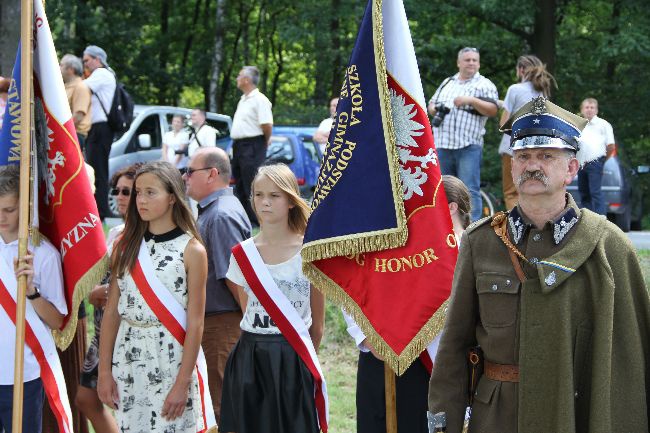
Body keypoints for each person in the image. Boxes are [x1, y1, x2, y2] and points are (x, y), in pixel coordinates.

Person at [427, 97, 650, 432]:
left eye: (546, 156)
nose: (533, 165)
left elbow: (630, 357)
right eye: (523, 156)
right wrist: (443, 421)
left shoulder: (609, 247)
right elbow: (455, 345)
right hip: (498, 419)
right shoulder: (482, 242)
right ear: (512, 166)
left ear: (572, 168)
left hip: (575, 414)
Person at [344, 175, 471, 433]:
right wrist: (366, 337)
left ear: (451, 207)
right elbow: (353, 287)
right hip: (382, 352)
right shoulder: (396, 239)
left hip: (432, 361)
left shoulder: (471, 247)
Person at [97, 161, 214, 432]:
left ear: (172, 196)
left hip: (173, 359)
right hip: (128, 355)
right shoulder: (124, 245)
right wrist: (104, 372)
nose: (141, 200)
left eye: (151, 192)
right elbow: (112, 311)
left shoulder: (192, 250)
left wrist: (183, 382)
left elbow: (196, 323)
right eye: (138, 192)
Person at [220, 164, 325, 433]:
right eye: (258, 194)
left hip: (294, 357)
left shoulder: (311, 251)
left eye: (274, 195)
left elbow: (317, 325)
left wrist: (301, 361)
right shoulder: (242, 254)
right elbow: (247, 310)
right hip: (250, 357)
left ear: (291, 200)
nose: (264, 202)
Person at [183, 147, 251, 421]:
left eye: (190, 171)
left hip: (222, 326)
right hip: (217, 324)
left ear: (212, 174)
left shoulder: (221, 215)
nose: (185, 177)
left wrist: (249, 329)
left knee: (221, 407)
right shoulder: (216, 211)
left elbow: (235, 280)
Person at [0, 165, 68, 433]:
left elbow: (57, 319)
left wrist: (31, 292)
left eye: (9, 209)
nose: (2, 217)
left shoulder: (43, 254)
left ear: (25, 207)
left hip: (24, 373)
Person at [75, 165, 139, 433]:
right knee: (86, 399)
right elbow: (98, 282)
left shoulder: (149, 237)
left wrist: (111, 293)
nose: (120, 196)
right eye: (117, 190)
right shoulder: (115, 233)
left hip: (129, 333)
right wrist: (93, 293)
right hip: (102, 331)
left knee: (129, 406)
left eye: (128, 191)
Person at [427, 47, 498, 222]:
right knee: (443, 188)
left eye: (475, 60)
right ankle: (445, 227)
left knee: (469, 189)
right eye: (467, 60)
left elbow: (493, 110)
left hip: (469, 145)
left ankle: (471, 231)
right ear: (459, 63)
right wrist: (436, 109)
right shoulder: (447, 82)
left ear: (479, 63)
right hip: (443, 144)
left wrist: (471, 100)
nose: (471, 63)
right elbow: (430, 105)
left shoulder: (484, 84)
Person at [498, 55, 556, 210]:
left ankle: (517, 231)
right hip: (535, 148)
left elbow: (503, 123)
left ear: (521, 70)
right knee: (531, 190)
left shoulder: (514, 89)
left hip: (512, 148)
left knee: (511, 192)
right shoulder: (543, 92)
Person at [230, 66, 274, 225]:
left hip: (253, 143)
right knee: (239, 183)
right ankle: (244, 219)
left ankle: (258, 220)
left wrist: (264, 142)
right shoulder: (243, 99)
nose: (237, 78)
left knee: (252, 183)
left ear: (247, 79)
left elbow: (267, 125)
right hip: (239, 145)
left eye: (239, 75)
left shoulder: (260, 99)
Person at [83, 45, 116, 221]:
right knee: (97, 168)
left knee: (98, 170)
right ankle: (99, 210)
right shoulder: (103, 74)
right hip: (98, 128)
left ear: (98, 59)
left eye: (87, 60)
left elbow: (80, 88)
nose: (85, 64)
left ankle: (100, 212)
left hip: (100, 128)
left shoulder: (102, 74)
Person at [577, 97, 615, 215]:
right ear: (582, 110)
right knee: (584, 193)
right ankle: (587, 220)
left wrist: (602, 161)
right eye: (587, 107)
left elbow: (611, 146)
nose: (589, 110)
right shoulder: (578, 125)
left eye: (592, 107)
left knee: (595, 192)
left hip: (596, 162)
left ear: (596, 110)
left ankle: (601, 220)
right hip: (581, 163)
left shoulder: (603, 124)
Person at [60, 54, 92, 151]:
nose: (58, 67)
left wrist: (60, 130)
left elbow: (78, 115)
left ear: (71, 69)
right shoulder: (67, 87)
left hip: (73, 135)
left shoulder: (81, 87)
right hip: (68, 133)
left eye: (61, 65)